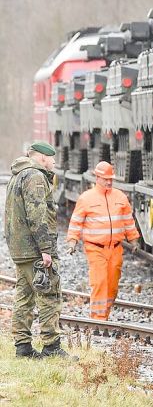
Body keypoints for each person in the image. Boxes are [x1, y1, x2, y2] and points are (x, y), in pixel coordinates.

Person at [3, 141, 71, 357]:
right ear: (42, 157)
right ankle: (52, 347)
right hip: (34, 250)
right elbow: (38, 214)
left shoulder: (18, 175)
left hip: (20, 249)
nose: (54, 162)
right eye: (52, 158)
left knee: (24, 296)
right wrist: (46, 249)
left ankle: (22, 347)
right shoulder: (35, 176)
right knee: (48, 294)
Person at [65, 161, 139, 320]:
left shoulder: (120, 197)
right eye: (105, 179)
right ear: (97, 178)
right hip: (95, 248)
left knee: (112, 286)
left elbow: (128, 221)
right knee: (99, 283)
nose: (109, 182)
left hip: (116, 249)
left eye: (111, 179)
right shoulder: (86, 198)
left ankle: (104, 315)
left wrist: (134, 240)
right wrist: (72, 241)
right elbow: (76, 222)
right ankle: (97, 321)